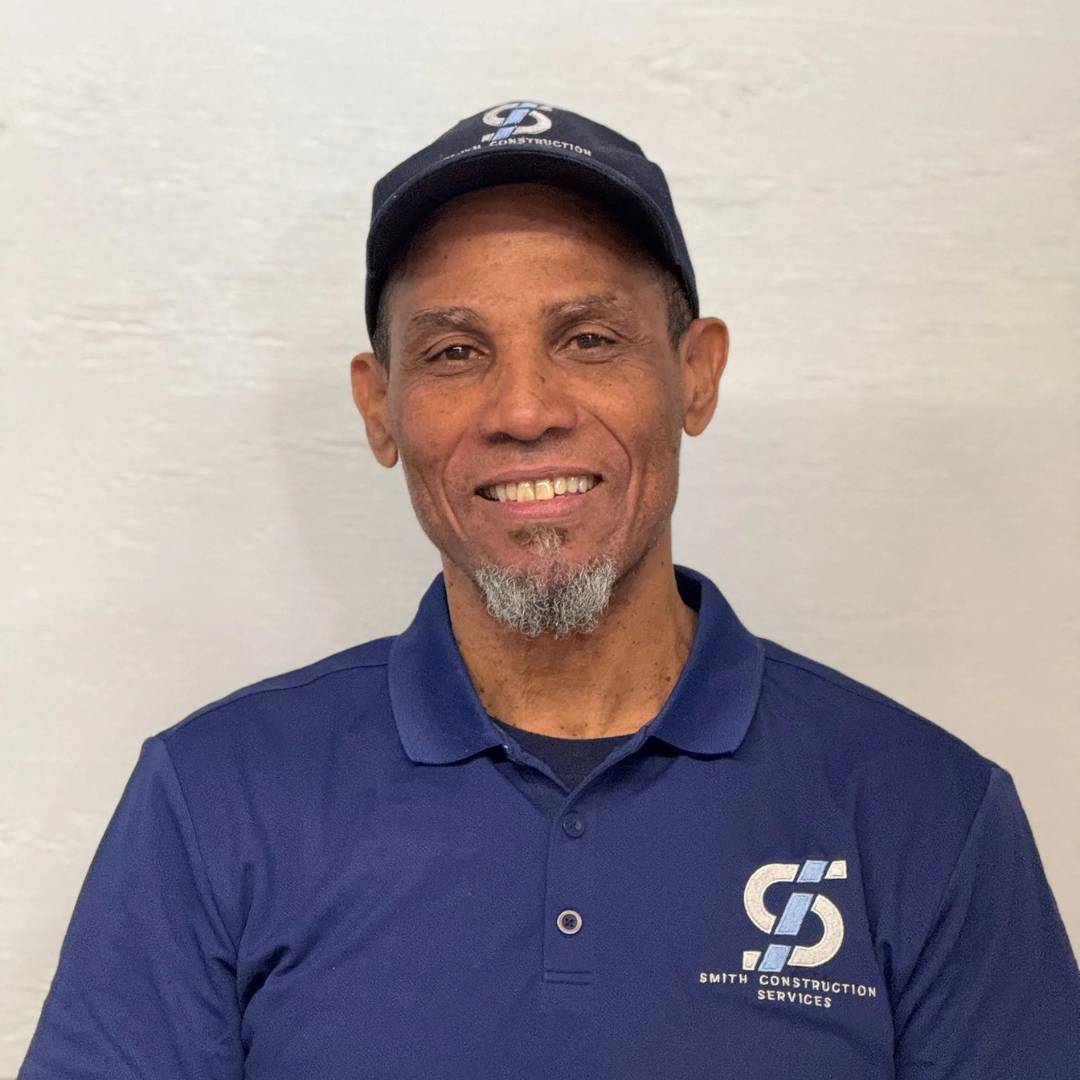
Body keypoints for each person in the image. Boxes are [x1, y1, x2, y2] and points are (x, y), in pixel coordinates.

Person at [18, 101, 1079, 1080]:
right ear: (380, 408)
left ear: (695, 375)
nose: (523, 409)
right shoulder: (213, 800)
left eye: (588, 339)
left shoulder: (927, 811)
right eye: (453, 351)